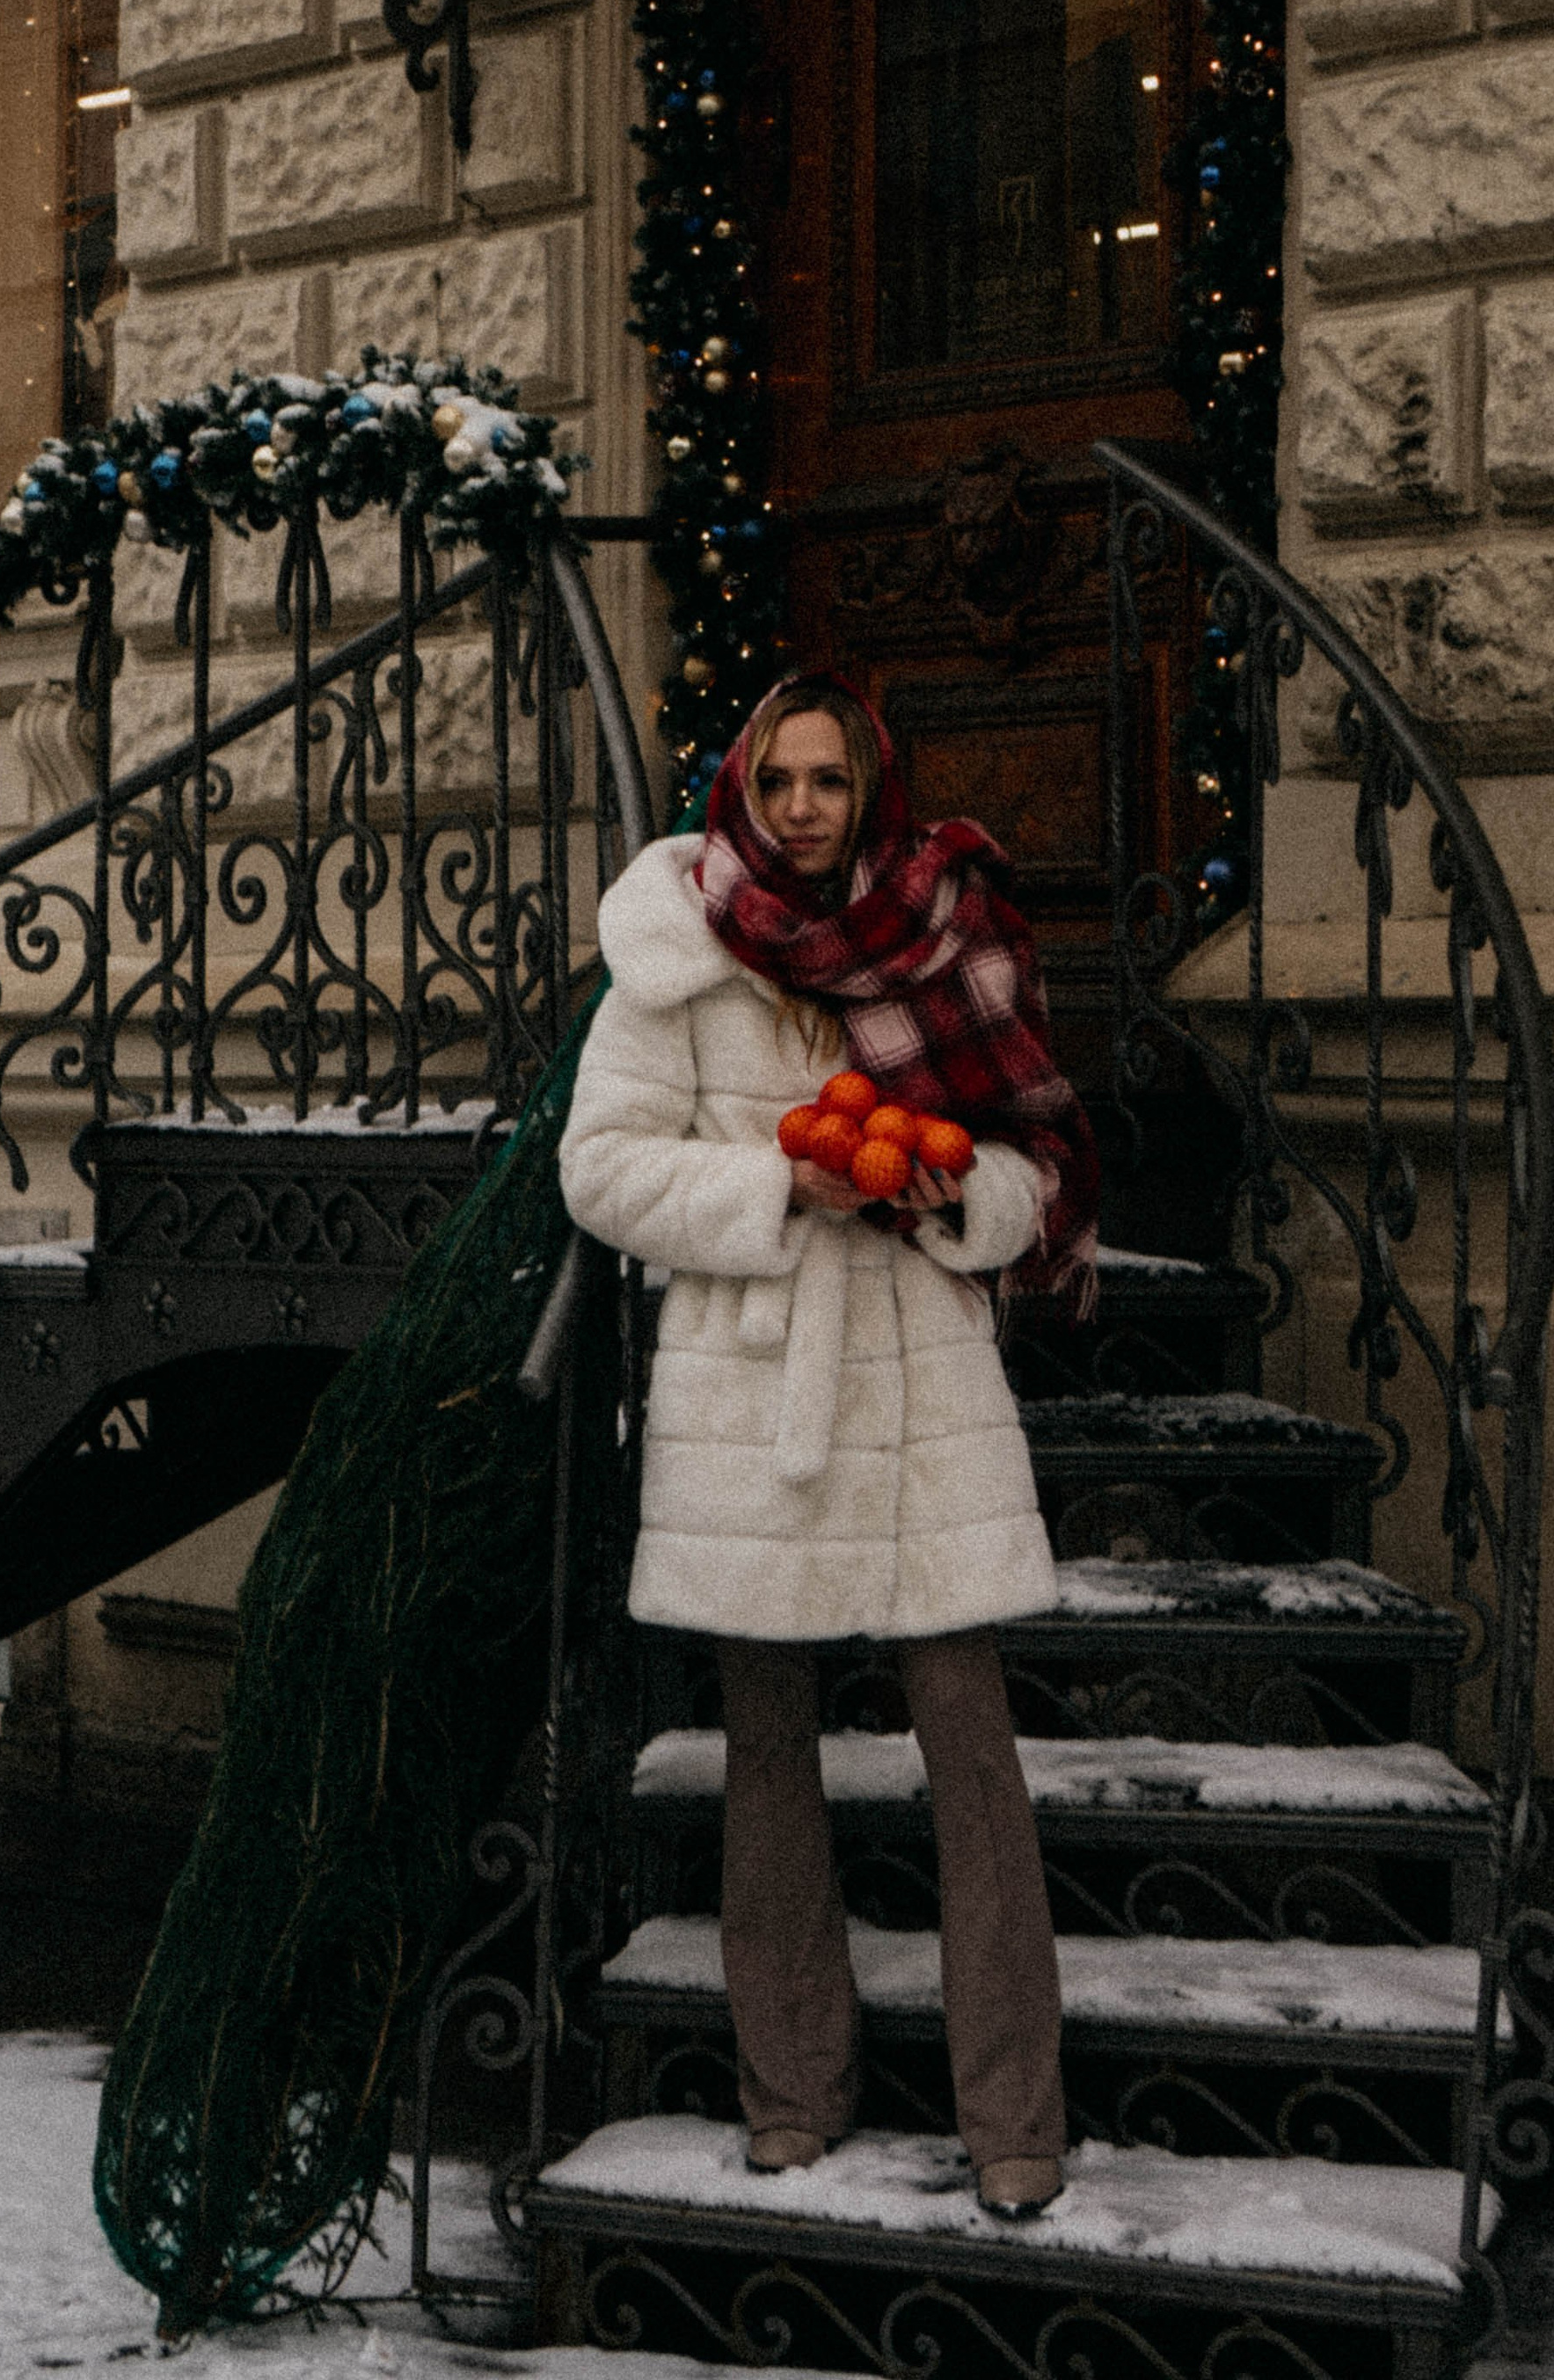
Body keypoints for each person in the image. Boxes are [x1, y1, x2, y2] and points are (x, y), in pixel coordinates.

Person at [558, 673, 1100, 2220]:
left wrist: (958, 1198)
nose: (802, 809)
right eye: (778, 781)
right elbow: (600, 1169)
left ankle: (1016, 2119)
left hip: (922, 1373)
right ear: (743, 788)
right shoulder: (677, 949)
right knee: (768, 1753)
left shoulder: (947, 938)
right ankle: (791, 2090)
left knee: (972, 1750)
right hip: (758, 1387)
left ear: (871, 791)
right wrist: (777, 1191)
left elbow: (1035, 1162)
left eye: (830, 782)